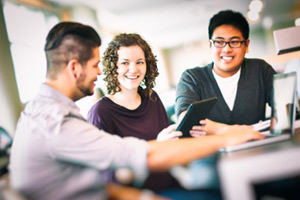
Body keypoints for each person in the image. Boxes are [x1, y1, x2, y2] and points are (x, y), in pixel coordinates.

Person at [9, 21, 264, 200]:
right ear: (75, 68)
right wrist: (226, 137)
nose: (99, 72)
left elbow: (93, 186)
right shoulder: (57, 120)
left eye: (139, 61)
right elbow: (139, 159)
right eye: (96, 65)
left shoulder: (48, 112)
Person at [87, 33, 208, 196]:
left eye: (139, 62)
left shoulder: (152, 98)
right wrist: (155, 147)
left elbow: (171, 154)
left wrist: (188, 139)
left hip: (170, 185)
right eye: (124, 63)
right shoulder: (100, 113)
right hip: (137, 194)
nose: (133, 69)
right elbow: (109, 179)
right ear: (113, 66)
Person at [176, 10, 276, 130]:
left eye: (234, 42)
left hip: (258, 145)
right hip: (212, 148)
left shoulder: (260, 70)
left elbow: (285, 109)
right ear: (210, 45)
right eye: (219, 42)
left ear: (246, 45)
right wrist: (232, 132)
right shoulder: (192, 78)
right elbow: (186, 120)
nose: (226, 49)